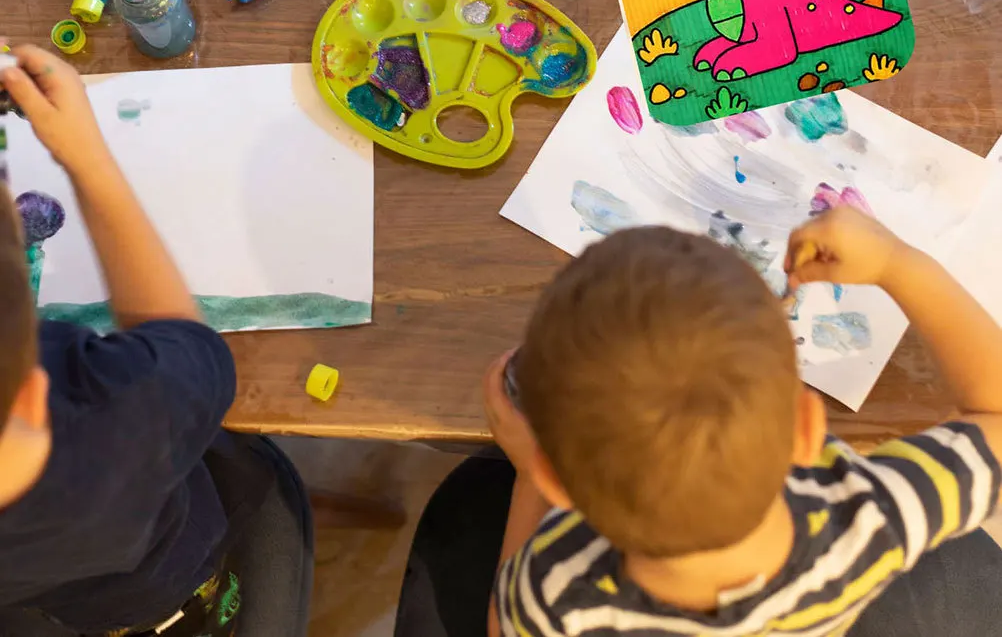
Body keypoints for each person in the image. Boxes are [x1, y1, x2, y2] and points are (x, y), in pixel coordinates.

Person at [394, 211, 1002, 637]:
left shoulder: (557, 587)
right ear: (807, 427)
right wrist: (898, 263)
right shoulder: (873, 519)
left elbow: (504, 627)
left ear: (559, 482)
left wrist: (525, 474)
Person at [0, 45, 312, 637]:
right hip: (170, 572)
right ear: (32, 395)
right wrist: (85, 157)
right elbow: (180, 336)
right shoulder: (122, 412)